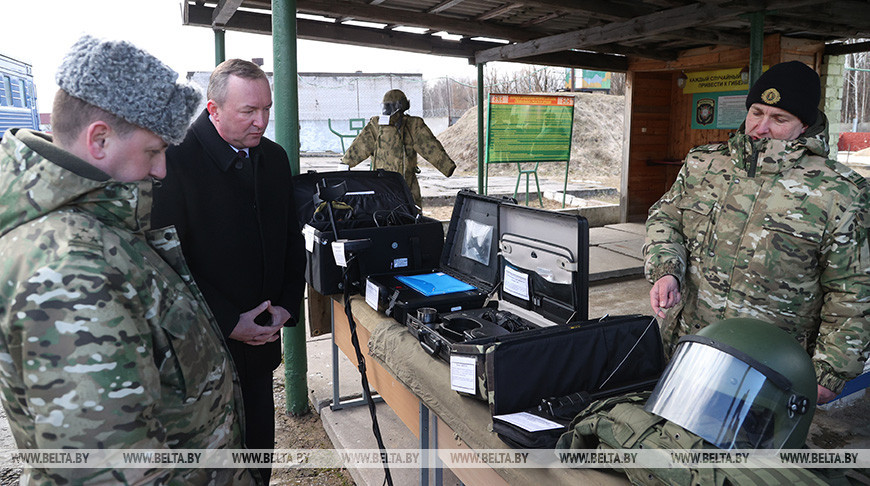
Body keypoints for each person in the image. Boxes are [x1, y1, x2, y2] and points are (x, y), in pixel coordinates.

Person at [0, 36, 257, 484]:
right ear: (99, 140)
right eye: (154, 151)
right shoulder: (68, 270)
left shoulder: (98, 227)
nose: (160, 170)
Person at [644, 60, 870, 405]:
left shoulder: (840, 192)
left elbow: (853, 289)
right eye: (756, 112)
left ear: (804, 125)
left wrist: (831, 370)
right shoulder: (704, 164)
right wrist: (666, 270)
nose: (760, 127)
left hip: (768, 363)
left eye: (779, 119)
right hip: (687, 343)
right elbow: (666, 218)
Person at [151, 58, 306, 483]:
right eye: (248, 112)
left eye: (266, 109)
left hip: (260, 342)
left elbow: (291, 240)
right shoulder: (173, 160)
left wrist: (286, 307)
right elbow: (163, 262)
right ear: (213, 110)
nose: (261, 121)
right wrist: (225, 320)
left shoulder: (273, 159)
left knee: (258, 454)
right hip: (200, 352)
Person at [341, 89, 456, 207]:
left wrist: (345, 164)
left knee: (386, 216)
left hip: (383, 188)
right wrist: (447, 167)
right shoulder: (410, 125)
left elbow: (360, 146)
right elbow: (431, 148)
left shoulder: (380, 125)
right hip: (402, 187)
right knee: (409, 219)